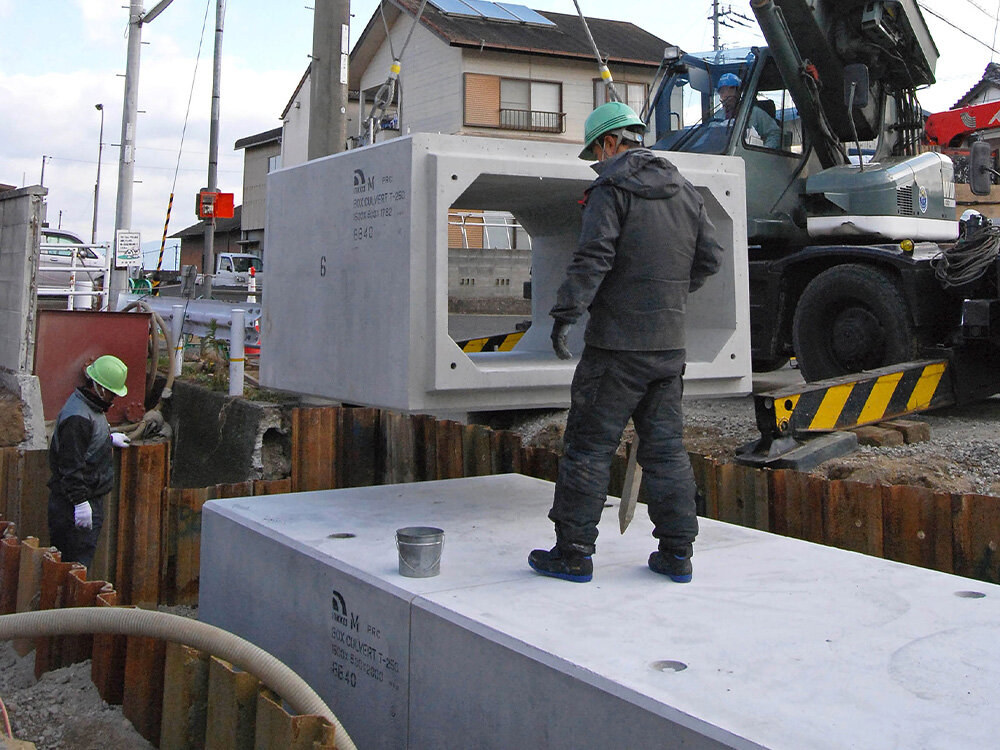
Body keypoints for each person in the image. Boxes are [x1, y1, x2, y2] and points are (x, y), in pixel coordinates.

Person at [528, 101, 724, 584]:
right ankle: (677, 555)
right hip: (668, 347)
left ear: (610, 142)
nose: (598, 162)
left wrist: (564, 315)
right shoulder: (685, 190)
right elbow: (710, 259)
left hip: (616, 348)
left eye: (597, 152)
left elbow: (593, 257)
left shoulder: (610, 188)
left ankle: (573, 553)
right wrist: (671, 296)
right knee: (666, 450)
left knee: (589, 447)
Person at [48, 354, 130, 568]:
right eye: (112, 393)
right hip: (72, 505)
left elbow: (81, 447)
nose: (113, 398)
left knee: (76, 564)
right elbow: (70, 465)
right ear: (98, 387)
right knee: (73, 567)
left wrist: (107, 440)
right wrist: (80, 503)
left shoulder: (89, 407)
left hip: (83, 498)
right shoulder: (78, 418)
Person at [716, 72, 782, 150]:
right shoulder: (717, 116)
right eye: (723, 92)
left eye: (730, 91)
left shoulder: (754, 113)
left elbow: (775, 133)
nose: (726, 95)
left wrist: (765, 149)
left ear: (738, 92)